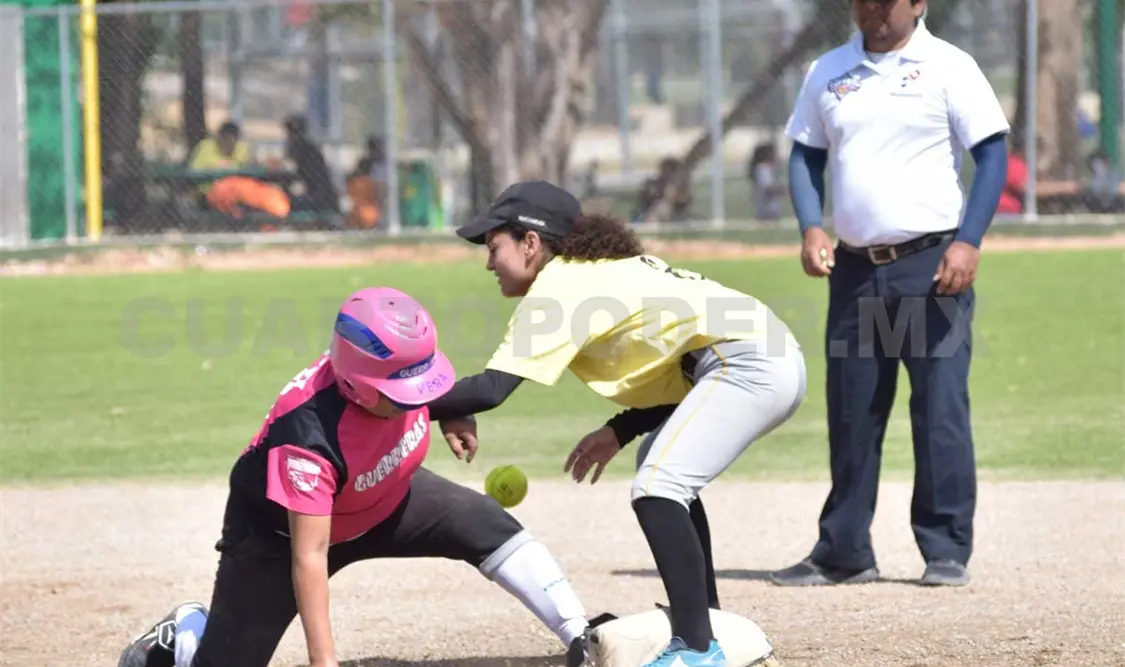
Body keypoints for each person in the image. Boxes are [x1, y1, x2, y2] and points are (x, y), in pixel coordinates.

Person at [117, 287, 594, 667]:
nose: (413, 401)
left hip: (385, 498)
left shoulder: (386, 385)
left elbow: (420, 389)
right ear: (356, 384)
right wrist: (324, 660)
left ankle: (584, 635)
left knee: (483, 523)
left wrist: (448, 411)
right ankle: (184, 634)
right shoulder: (306, 436)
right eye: (403, 392)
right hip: (280, 538)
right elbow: (310, 556)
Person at [439, 181, 807, 667]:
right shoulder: (602, 272)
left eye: (494, 247)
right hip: (758, 357)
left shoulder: (561, 287)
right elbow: (677, 364)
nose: (489, 262)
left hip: (744, 363)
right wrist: (620, 429)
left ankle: (697, 649)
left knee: (658, 485)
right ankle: (705, 621)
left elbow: (491, 390)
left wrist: (395, 399)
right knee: (663, 472)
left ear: (530, 242)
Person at [772, 0, 1010, 588]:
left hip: (932, 269)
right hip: (855, 272)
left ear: (919, 3)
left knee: (940, 408)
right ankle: (844, 551)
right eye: (865, 1)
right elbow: (805, 154)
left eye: (889, 0)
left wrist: (969, 241)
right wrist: (810, 225)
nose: (875, 10)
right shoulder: (828, 71)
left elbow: (992, 152)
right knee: (853, 411)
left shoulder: (949, 66)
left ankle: (946, 547)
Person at [746, 142, 784, 222]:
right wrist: (782, 190)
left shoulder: (767, 169)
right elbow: (768, 188)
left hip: (768, 210)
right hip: (768, 210)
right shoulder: (763, 169)